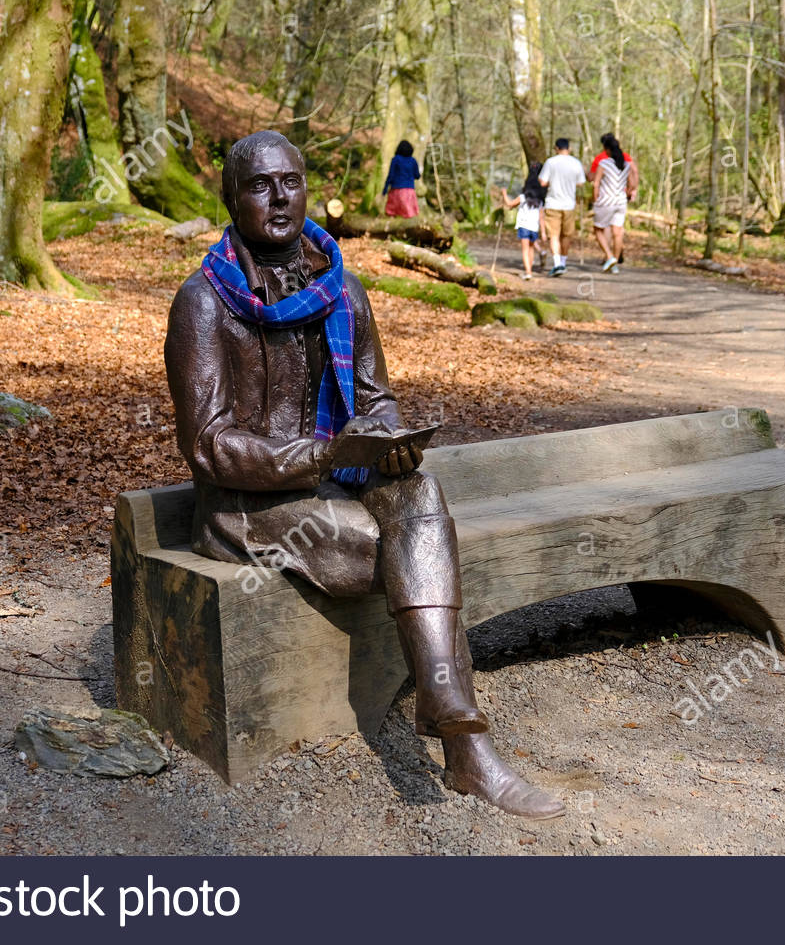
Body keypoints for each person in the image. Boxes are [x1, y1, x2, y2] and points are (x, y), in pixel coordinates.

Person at [164, 130, 564, 820]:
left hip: (335, 475)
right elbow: (208, 446)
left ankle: (455, 720)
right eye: (259, 185)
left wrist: (388, 444)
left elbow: (376, 400)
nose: (279, 196)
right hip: (245, 501)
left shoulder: (340, 286)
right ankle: (460, 732)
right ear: (231, 199)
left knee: (423, 495)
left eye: (290, 180)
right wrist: (322, 459)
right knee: (380, 546)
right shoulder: (203, 302)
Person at [589, 133, 639, 273]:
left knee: (598, 229)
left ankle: (610, 256)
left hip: (606, 201)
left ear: (607, 149)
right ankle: (615, 264)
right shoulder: (626, 164)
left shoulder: (604, 163)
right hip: (620, 202)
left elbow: (596, 183)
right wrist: (628, 192)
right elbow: (633, 183)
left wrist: (595, 198)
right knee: (618, 232)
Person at [537, 137, 586, 276]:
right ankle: (563, 262)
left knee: (554, 235)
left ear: (556, 148)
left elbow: (542, 182)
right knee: (567, 235)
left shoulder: (551, 162)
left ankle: (557, 263)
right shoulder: (576, 163)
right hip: (569, 204)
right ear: (569, 148)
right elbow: (581, 182)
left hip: (553, 203)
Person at [499, 162, 548, 280]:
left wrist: (504, 194)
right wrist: (544, 232)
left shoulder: (522, 198)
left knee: (525, 250)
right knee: (531, 249)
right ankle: (529, 270)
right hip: (534, 227)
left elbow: (510, 204)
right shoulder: (539, 202)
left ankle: (528, 272)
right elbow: (542, 217)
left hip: (524, 226)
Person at [381, 140, 421, 218]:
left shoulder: (396, 159)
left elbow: (391, 176)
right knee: (409, 214)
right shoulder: (413, 161)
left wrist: (385, 189)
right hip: (409, 191)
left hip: (396, 190)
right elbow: (417, 176)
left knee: (392, 213)